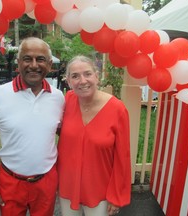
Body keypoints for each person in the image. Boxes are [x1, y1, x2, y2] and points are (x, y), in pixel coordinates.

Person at [0, 37, 65, 215]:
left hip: (46, 181)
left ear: (49, 65)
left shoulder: (59, 98)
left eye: (40, 59)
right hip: (10, 181)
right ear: (18, 63)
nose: (34, 65)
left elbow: (65, 137)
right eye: (27, 59)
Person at [57, 55, 131, 216]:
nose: (82, 81)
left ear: (97, 76)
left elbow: (122, 157)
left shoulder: (117, 109)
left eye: (87, 74)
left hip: (100, 189)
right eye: (75, 76)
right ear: (68, 81)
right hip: (68, 185)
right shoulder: (67, 101)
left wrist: (116, 195)